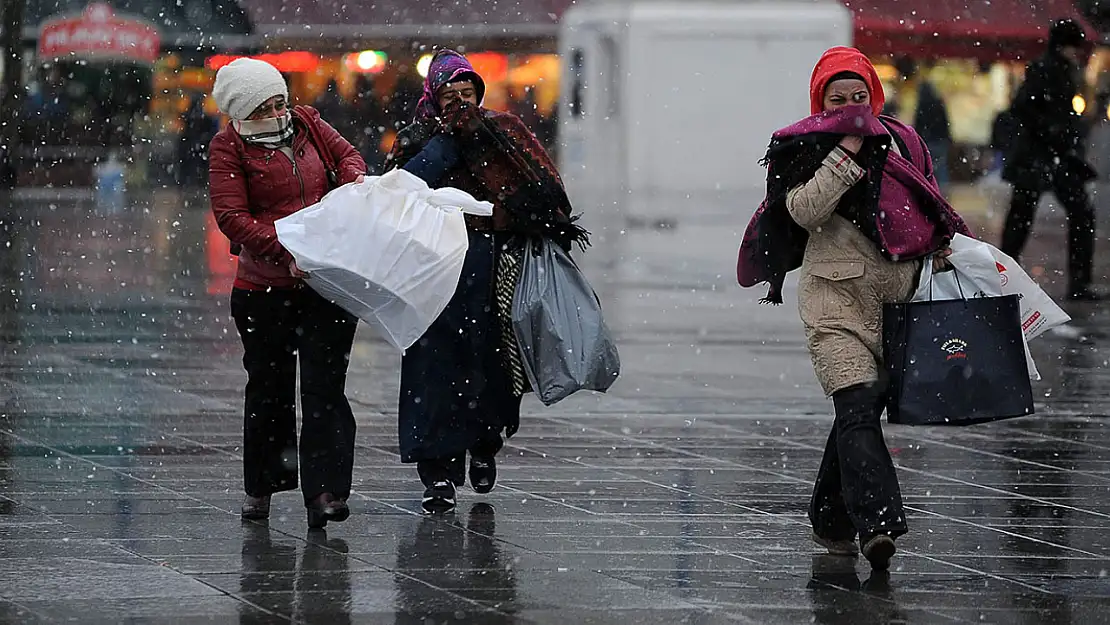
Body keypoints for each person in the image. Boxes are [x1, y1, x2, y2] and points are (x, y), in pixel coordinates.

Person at [737, 47, 970, 570]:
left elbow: (928, 201)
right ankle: (878, 526)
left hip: (896, 305)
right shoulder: (804, 145)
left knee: (855, 417)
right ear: (821, 101)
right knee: (858, 407)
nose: (850, 105)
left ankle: (829, 519)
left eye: (858, 96)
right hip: (835, 302)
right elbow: (801, 210)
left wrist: (943, 241)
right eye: (837, 98)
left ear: (875, 94)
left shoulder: (904, 141)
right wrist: (844, 155)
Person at [385, 49, 589, 514]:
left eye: (467, 92)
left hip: (498, 268)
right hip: (433, 271)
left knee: (490, 365)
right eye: (448, 95)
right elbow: (399, 196)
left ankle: (485, 441)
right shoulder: (419, 139)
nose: (460, 102)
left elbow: (548, 198)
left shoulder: (506, 133)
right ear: (432, 100)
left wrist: (501, 216)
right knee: (432, 368)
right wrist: (444, 146)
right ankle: (437, 472)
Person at [207, 58, 368, 529]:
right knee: (269, 391)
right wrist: (285, 251)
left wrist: (351, 179)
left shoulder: (309, 124)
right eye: (265, 105)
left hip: (325, 284)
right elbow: (232, 217)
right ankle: (263, 485)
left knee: (325, 390)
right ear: (243, 110)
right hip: (264, 290)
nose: (279, 112)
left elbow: (349, 156)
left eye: (281, 100)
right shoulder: (227, 147)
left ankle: (325, 491)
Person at [1001, 19, 1099, 301]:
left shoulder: (1059, 69)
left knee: (1027, 216)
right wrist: (1052, 131)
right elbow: (1023, 107)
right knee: (1026, 215)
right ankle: (1004, 274)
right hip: (1042, 156)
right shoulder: (1046, 69)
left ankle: (1003, 274)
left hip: (1051, 156)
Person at [892, 57, 952, 190]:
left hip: (928, 139)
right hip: (939, 140)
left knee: (927, 168)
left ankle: (931, 191)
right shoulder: (938, 103)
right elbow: (945, 123)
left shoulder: (922, 104)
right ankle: (941, 193)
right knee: (940, 169)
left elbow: (919, 122)